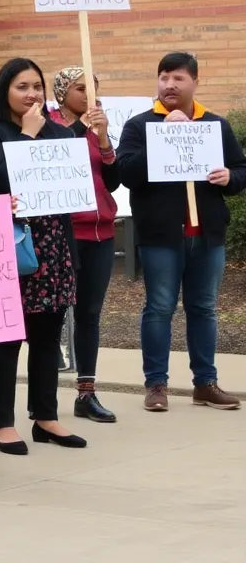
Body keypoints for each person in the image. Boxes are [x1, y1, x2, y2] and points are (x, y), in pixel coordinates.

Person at [117, 52, 246, 412]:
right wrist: (163, 137)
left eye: (178, 78)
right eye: (163, 78)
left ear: (195, 82)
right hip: (161, 236)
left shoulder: (214, 125)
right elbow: (126, 173)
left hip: (207, 235)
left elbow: (240, 170)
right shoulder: (141, 125)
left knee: (203, 308)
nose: (169, 85)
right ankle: (156, 385)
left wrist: (229, 177)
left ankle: (205, 383)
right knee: (159, 308)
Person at [0, 57, 86, 455]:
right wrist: (26, 136)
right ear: (5, 89)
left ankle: (45, 416)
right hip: (12, 244)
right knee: (6, 338)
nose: (31, 94)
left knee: (47, 338)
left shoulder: (61, 132)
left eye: (36, 86)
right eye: (22, 86)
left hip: (54, 243)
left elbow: (75, 184)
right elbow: (0, 178)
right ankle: (2, 422)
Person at [50, 67, 121, 423]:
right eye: (81, 89)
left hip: (101, 232)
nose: (90, 97)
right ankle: (44, 397)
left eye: (94, 89)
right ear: (62, 92)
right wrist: (83, 128)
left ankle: (86, 392)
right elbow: (57, 152)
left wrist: (105, 138)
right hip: (66, 233)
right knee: (53, 315)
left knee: (89, 313)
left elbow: (113, 180)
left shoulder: (96, 129)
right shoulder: (49, 123)